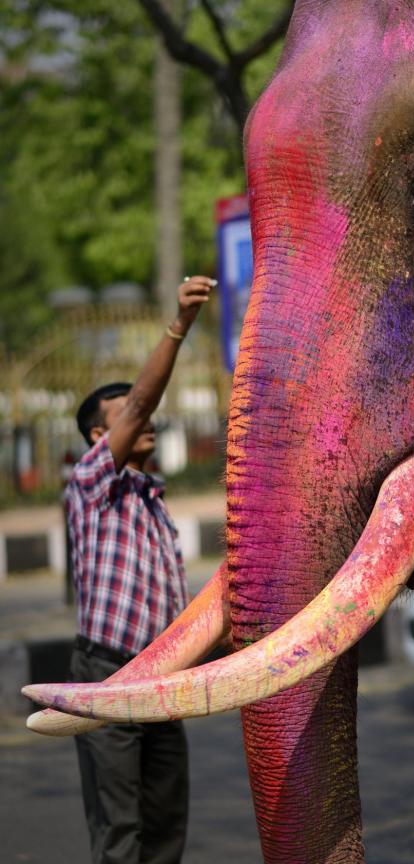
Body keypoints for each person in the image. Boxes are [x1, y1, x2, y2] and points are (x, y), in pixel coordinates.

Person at [66, 275, 215, 864]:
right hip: (108, 675)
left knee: (164, 827)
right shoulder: (92, 481)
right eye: (130, 412)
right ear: (100, 437)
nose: (146, 417)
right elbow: (142, 401)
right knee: (121, 833)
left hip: (160, 681)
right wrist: (178, 326)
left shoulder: (153, 503)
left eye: (145, 408)